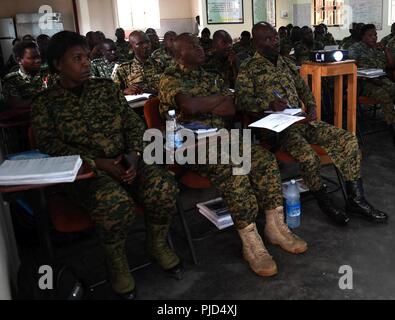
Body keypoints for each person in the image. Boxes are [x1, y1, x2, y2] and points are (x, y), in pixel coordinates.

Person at [31, 31, 182, 300]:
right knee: (116, 206)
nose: (86, 63)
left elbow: (133, 124)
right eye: (77, 59)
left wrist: (134, 154)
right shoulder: (46, 102)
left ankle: (157, 244)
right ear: (57, 64)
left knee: (164, 188)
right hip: (86, 173)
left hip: (126, 160)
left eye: (86, 57)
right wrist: (96, 163)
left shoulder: (106, 89)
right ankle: (117, 263)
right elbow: (48, 145)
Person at [159, 33, 308, 278]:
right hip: (191, 145)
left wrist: (209, 102)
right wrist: (217, 100)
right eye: (192, 46)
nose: (200, 48)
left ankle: (275, 227)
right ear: (178, 54)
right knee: (236, 170)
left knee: (264, 160)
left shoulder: (211, 77)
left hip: (222, 138)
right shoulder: (170, 78)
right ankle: (251, 243)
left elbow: (230, 108)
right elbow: (189, 107)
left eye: (199, 44)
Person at [236, 22, 388, 225]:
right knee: (309, 157)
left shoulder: (286, 63)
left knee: (348, 139)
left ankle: (356, 200)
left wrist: (312, 106)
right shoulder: (248, 68)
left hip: (302, 120)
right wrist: (267, 103)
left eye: (276, 37)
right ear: (256, 42)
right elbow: (241, 101)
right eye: (269, 39)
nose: (275, 41)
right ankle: (324, 202)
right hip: (277, 129)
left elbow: (303, 89)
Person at [349, 24, 395, 145]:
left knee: (392, 89)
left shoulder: (378, 48)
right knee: (384, 95)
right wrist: (371, 79)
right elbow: (351, 67)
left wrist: (385, 49)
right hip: (364, 83)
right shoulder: (355, 48)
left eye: (375, 35)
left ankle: (391, 119)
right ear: (363, 37)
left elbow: (391, 65)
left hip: (382, 79)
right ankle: (392, 126)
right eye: (370, 35)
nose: (374, 37)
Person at [2, 41, 52, 110]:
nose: (38, 60)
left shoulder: (47, 73)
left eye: (39, 57)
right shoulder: (12, 80)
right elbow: (16, 105)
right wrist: (47, 99)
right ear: (19, 60)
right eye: (33, 58)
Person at [113, 31, 161, 95]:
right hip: (137, 104)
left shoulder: (161, 64)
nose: (146, 46)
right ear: (131, 47)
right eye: (140, 43)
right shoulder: (123, 69)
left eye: (147, 42)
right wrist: (124, 91)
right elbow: (112, 93)